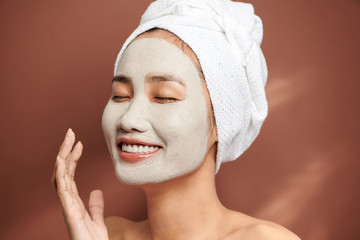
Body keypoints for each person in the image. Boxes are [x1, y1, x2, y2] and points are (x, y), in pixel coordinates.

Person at [52, 0, 301, 239]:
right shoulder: (106, 235)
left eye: (164, 97)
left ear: (221, 124)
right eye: (120, 96)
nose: (129, 119)